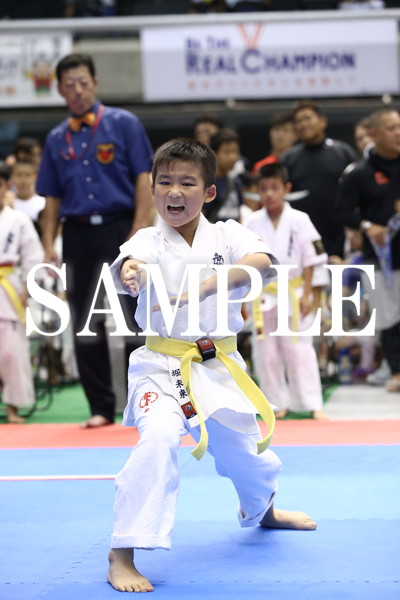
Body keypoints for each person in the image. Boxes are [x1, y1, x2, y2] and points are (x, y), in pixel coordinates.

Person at [107, 138, 317, 593]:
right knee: (159, 438)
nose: (174, 192)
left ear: (208, 192)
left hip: (218, 364)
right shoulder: (147, 239)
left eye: (187, 183)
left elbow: (262, 263)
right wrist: (132, 273)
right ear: (152, 186)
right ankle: (122, 551)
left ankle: (263, 510)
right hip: (161, 365)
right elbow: (131, 264)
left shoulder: (228, 234)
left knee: (244, 453)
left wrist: (205, 287)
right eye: (165, 182)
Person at [36, 53, 154, 428]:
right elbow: (51, 197)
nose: (77, 90)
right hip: (77, 233)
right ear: (59, 89)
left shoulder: (124, 123)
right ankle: (101, 407)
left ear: (96, 83)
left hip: (121, 227)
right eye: (69, 84)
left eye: (83, 82)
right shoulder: (56, 138)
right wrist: (49, 242)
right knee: (85, 321)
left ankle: (146, 401)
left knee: (133, 315)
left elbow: (144, 178)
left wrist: (139, 228)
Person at [244, 163, 328, 419]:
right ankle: (276, 404)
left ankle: (312, 402)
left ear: (286, 188)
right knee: (266, 352)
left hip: (294, 290)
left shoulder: (300, 219)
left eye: (274, 188)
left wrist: (309, 294)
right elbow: (244, 261)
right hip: (263, 293)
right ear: (258, 191)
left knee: (299, 349)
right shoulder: (252, 222)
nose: (269, 194)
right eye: (264, 189)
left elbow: (312, 258)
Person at [335, 108, 400, 392]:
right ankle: (396, 371)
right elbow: (341, 210)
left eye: (399, 127)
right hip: (379, 258)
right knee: (387, 318)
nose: (398, 133)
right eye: (391, 128)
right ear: (375, 134)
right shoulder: (359, 173)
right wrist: (366, 226)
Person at [281, 99, 358, 258]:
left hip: (341, 237)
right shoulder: (288, 159)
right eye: (298, 121)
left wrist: (356, 229)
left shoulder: (343, 152)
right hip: (301, 239)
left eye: (307, 118)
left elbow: (358, 193)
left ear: (323, 121)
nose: (303, 124)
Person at [0, 162, 44, 423]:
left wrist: (29, 287)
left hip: (8, 288)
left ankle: (13, 407)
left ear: (7, 187)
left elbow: (33, 256)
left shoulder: (18, 220)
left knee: (11, 352)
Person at [204, 127, 243, 223]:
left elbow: (239, 213)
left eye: (235, 152)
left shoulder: (236, 182)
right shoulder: (206, 182)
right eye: (227, 152)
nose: (232, 157)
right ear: (214, 153)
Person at [11, 159, 45, 237]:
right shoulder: (8, 204)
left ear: (35, 177)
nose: (23, 180)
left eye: (27, 175)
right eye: (19, 175)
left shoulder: (43, 203)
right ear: (12, 177)